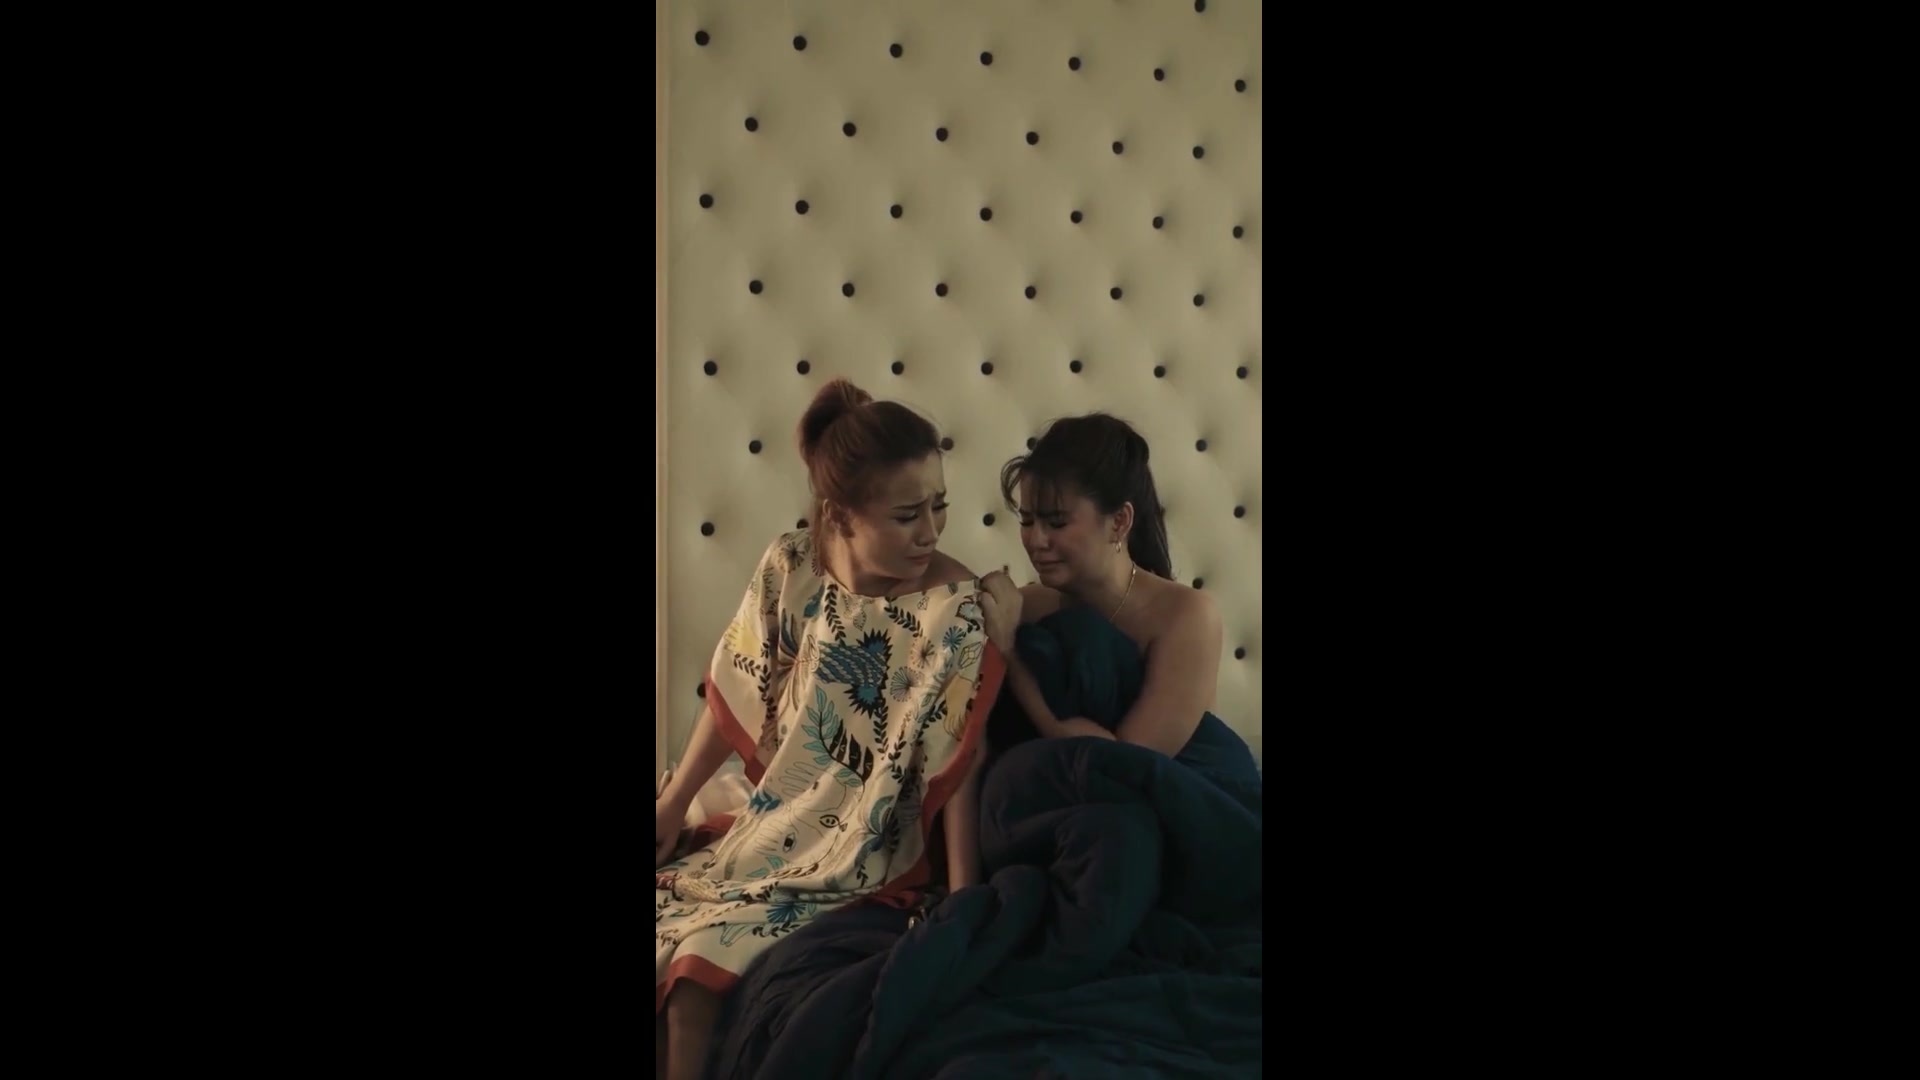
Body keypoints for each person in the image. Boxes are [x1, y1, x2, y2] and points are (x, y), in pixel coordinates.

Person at [652, 378, 1018, 1080]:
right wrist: (672, 804)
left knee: (695, 982)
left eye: (939, 506)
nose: (932, 531)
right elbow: (739, 686)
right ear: (839, 515)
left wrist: (965, 896)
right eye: (907, 515)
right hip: (775, 820)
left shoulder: (953, 610)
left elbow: (960, 753)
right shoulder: (790, 567)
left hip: (865, 848)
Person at [992, 413, 1235, 759]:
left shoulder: (1188, 616)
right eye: (1027, 521)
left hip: (1160, 787)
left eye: (1056, 522)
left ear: (1119, 521)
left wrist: (1012, 658)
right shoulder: (1027, 606)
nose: (1036, 540)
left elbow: (1122, 764)